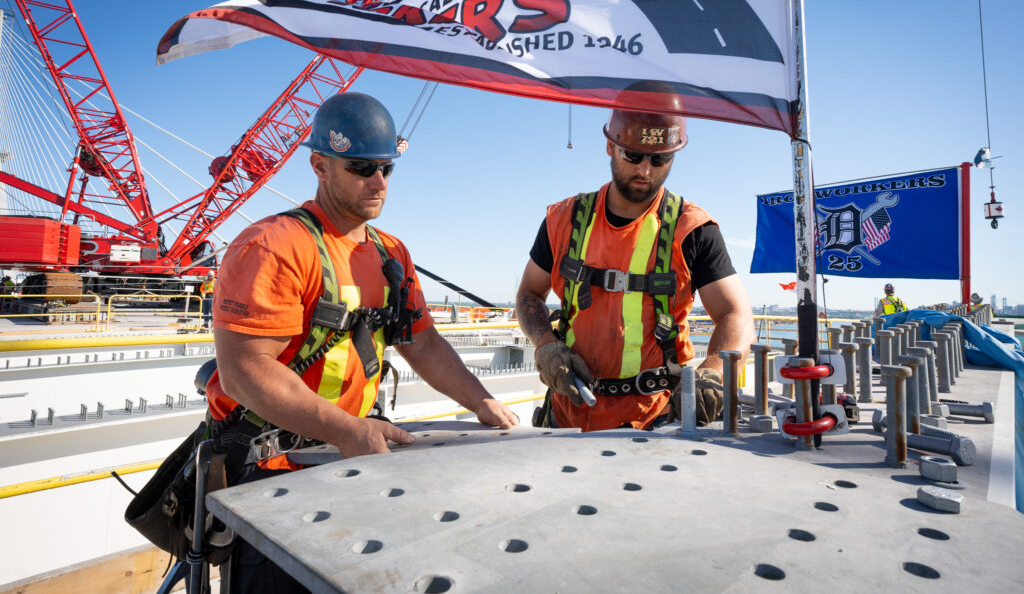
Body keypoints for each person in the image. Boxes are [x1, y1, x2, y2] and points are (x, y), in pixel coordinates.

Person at [206, 92, 519, 592]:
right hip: (274, 471)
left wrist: (481, 402)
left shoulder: (391, 253)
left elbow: (423, 342)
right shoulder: (274, 245)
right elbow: (245, 369)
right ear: (320, 165)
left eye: (386, 169)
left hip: (351, 460)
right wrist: (346, 430)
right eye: (361, 167)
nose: (377, 182)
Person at [516, 101, 754, 432]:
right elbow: (529, 292)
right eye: (633, 156)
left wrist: (713, 371)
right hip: (569, 412)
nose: (645, 170)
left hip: (655, 418)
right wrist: (545, 344)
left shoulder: (693, 229)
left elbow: (735, 314)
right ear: (610, 146)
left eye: (660, 159)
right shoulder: (563, 220)